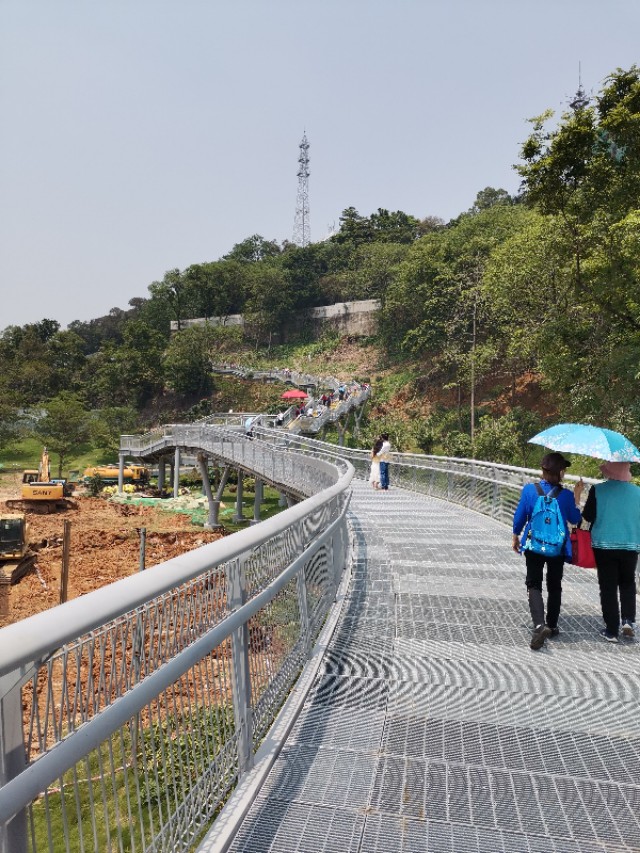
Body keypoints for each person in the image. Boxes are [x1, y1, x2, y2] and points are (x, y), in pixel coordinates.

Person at [512, 452, 584, 650]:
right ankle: (551, 625)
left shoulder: (529, 490)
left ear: (543, 471)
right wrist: (577, 496)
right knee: (554, 585)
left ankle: (538, 624)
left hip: (534, 545)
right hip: (557, 549)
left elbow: (520, 516)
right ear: (561, 473)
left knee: (533, 583)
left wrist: (515, 535)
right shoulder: (567, 496)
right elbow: (576, 519)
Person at [582, 461, 640, 642]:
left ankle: (612, 630)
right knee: (628, 583)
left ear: (609, 471)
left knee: (607, 587)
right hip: (630, 544)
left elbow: (588, 517)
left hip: (603, 545)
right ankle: (628, 620)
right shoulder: (638, 492)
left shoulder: (597, 490)